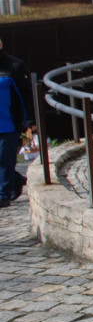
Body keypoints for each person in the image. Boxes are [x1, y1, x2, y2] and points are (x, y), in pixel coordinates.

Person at [0, 36, 31, 209]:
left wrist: (30, 121)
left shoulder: (14, 66)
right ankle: (17, 180)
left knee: (5, 159)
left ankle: (3, 195)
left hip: (8, 124)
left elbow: (26, 95)